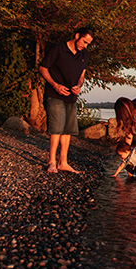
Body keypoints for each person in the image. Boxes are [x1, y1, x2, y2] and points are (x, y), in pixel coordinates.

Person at [39, 27, 94, 173]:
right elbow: (43, 68)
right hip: (55, 93)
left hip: (71, 96)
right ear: (77, 36)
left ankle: (63, 162)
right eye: (84, 41)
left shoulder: (84, 54)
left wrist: (78, 85)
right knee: (56, 128)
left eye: (88, 43)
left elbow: (82, 75)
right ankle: (51, 161)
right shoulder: (58, 49)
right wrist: (55, 85)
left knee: (67, 130)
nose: (85, 45)